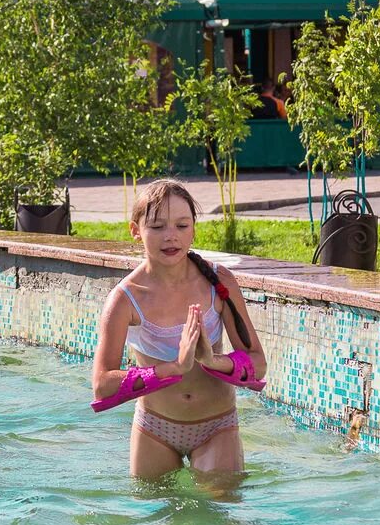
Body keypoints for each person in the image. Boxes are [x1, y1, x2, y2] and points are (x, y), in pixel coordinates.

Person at [90, 179, 268, 480]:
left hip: (217, 425)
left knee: (220, 517)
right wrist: (173, 367)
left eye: (182, 226)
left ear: (194, 229)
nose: (170, 237)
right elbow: (102, 384)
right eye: (157, 227)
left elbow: (258, 364)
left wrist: (212, 361)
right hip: (154, 428)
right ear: (136, 230)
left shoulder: (218, 282)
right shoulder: (125, 299)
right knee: (156, 519)